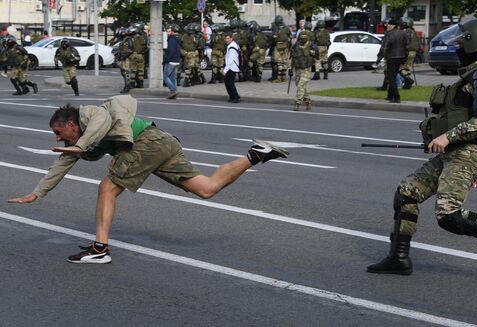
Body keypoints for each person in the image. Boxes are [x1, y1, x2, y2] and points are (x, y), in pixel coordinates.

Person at [8, 95, 289, 264]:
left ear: (70, 124)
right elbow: (62, 164)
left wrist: (80, 146)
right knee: (206, 188)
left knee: (107, 187)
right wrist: (37, 193)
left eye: (59, 133)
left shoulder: (89, 114)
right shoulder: (79, 140)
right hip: (160, 141)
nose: (58, 138)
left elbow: (103, 120)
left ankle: (99, 249)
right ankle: (256, 155)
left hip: (147, 141)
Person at [366, 18, 477, 280]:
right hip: (458, 152)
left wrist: (449, 139)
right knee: (407, 192)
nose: (456, 47)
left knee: (448, 215)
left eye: (461, 42)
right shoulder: (475, 74)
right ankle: (398, 258)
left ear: (475, 44)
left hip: (468, 153)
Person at [383, 18, 408, 103]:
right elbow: (407, 47)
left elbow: (385, 47)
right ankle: (390, 96)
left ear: (394, 25)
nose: (388, 26)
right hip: (401, 57)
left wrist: (383, 57)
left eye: (390, 24)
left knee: (392, 78)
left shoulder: (389, 34)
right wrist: (405, 58)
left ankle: (396, 97)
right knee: (393, 76)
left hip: (391, 58)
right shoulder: (404, 33)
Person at [290, 33, 316, 111]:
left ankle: (297, 103)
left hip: (306, 69)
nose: (303, 40)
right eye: (301, 38)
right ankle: (308, 102)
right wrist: (290, 69)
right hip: (298, 69)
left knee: (300, 86)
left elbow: (317, 56)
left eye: (305, 38)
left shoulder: (312, 45)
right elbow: (292, 57)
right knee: (300, 86)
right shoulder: (296, 46)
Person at [398, 16, 417, 90]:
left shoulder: (407, 32)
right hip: (412, 52)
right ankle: (407, 84)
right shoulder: (412, 31)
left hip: (407, 52)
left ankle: (408, 80)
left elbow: (406, 43)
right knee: (407, 68)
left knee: (400, 67)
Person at [271, 16, 291, 83]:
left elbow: (274, 38)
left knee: (279, 63)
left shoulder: (276, 28)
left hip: (278, 47)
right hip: (285, 46)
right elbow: (290, 36)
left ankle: (279, 78)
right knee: (284, 62)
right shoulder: (286, 28)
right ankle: (284, 78)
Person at [163, 25, 181, 99]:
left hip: (171, 61)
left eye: (169, 31)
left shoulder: (171, 40)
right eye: (167, 31)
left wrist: (166, 60)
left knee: (165, 76)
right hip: (177, 61)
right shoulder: (176, 39)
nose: (167, 33)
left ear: (172, 32)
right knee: (173, 77)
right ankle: (173, 93)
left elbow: (171, 51)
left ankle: (173, 89)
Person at [224, 33, 241, 103]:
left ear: (231, 38)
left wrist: (225, 70)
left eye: (228, 38)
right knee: (227, 82)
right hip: (231, 67)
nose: (226, 40)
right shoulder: (232, 45)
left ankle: (236, 97)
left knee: (230, 83)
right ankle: (232, 96)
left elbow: (230, 60)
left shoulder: (232, 46)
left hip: (232, 67)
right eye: (226, 38)